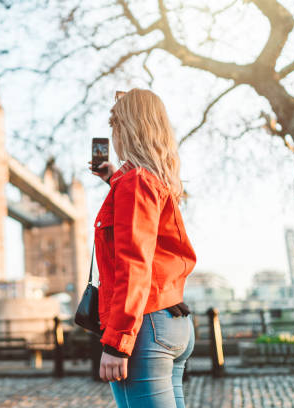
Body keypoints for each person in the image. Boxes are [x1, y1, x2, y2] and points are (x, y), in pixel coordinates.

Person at [89, 89, 196, 408]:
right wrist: (113, 179)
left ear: (125, 129)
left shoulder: (135, 183)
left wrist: (117, 344)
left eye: (116, 128)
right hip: (173, 321)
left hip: (144, 329)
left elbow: (134, 265)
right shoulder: (155, 180)